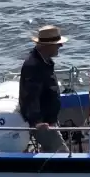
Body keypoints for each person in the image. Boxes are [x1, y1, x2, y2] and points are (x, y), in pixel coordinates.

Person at [18, 25, 67, 153]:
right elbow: (30, 96)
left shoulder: (44, 62)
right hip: (42, 124)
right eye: (57, 44)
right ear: (47, 45)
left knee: (49, 153)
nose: (60, 46)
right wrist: (37, 122)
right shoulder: (34, 66)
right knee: (62, 154)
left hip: (49, 120)